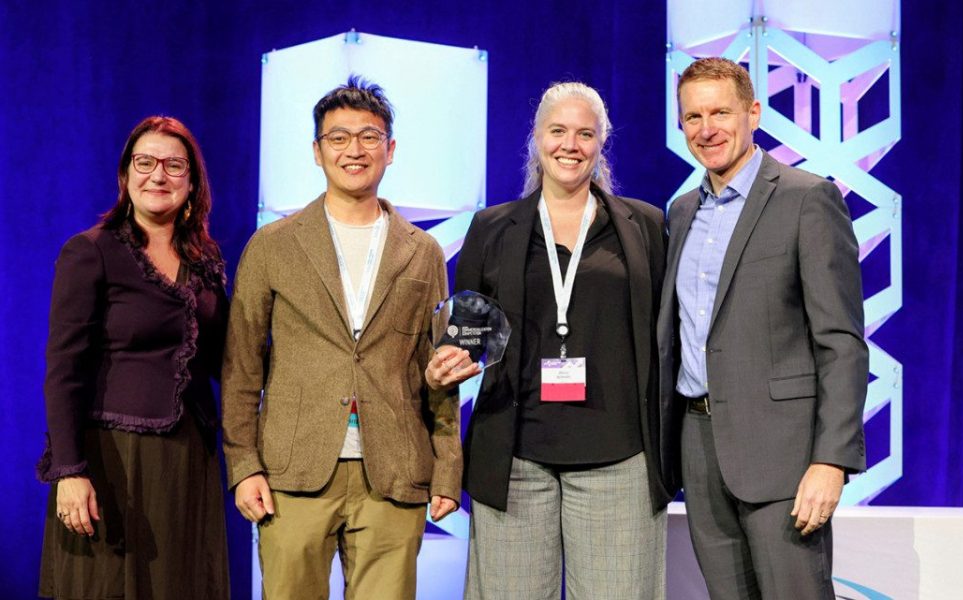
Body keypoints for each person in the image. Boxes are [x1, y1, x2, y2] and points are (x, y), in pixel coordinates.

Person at [222, 75, 461, 600]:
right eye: (338, 137)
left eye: (369, 136)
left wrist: (447, 469)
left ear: (391, 149)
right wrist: (244, 467)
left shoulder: (423, 252)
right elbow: (242, 368)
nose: (355, 150)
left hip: (394, 473)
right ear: (316, 150)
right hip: (293, 473)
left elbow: (439, 371)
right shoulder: (272, 246)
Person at [435, 81, 670, 600]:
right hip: (517, 458)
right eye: (558, 130)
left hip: (620, 459)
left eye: (585, 133)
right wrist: (447, 363)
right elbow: (467, 335)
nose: (571, 144)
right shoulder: (492, 228)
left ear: (601, 143)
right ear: (536, 138)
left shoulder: (645, 226)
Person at [658, 57, 868, 599]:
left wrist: (832, 461)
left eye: (720, 112)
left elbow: (841, 342)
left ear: (753, 112)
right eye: (692, 117)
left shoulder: (807, 197)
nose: (707, 129)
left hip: (785, 457)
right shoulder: (680, 212)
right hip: (699, 448)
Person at [36, 116, 230, 599]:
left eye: (173, 165)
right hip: (111, 461)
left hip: (186, 461)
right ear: (125, 176)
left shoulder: (205, 262)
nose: (158, 176)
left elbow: (229, 357)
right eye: (145, 163)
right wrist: (70, 472)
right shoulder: (91, 252)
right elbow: (64, 370)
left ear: (192, 182)